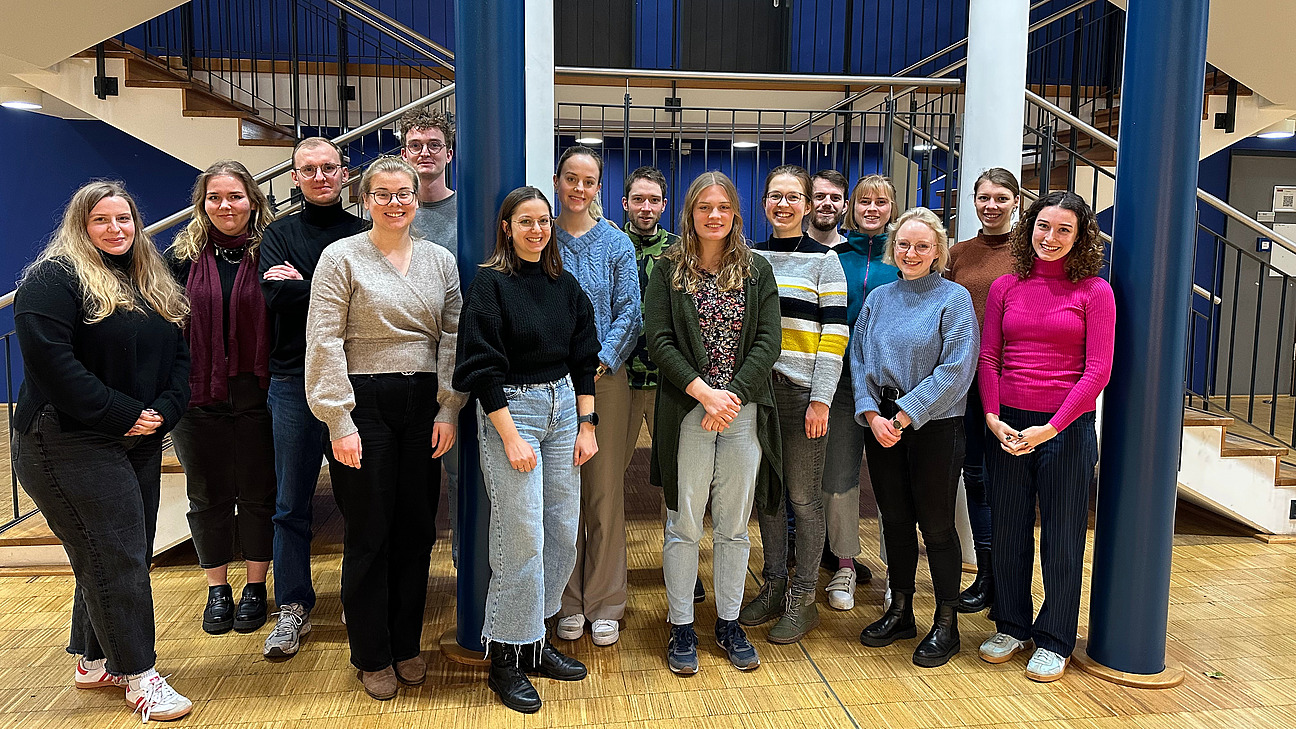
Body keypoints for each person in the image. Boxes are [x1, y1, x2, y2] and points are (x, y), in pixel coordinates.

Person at [13, 181, 193, 721]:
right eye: (101, 221)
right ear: (80, 225)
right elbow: (54, 366)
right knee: (116, 557)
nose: (116, 230)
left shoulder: (147, 278)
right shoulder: (53, 280)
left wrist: (164, 408)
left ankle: (94, 659)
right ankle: (139, 675)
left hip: (135, 436)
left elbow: (179, 354)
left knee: (114, 553)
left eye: (125, 220)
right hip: (64, 442)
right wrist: (125, 413)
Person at [304, 156, 464, 700]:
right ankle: (372, 654)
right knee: (369, 531)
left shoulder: (440, 260)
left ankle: (405, 644)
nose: (395, 203)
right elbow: (323, 339)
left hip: (423, 402)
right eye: (384, 194)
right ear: (365, 199)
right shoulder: (340, 257)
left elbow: (453, 336)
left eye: (405, 194)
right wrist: (338, 420)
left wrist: (448, 408)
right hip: (362, 401)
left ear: (418, 201)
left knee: (416, 530)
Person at [454, 186, 600, 714]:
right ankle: (506, 658)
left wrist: (587, 423)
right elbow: (479, 365)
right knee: (522, 538)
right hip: (511, 411)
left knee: (562, 531)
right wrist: (510, 435)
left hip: (565, 409)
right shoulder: (490, 284)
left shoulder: (565, 286)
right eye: (526, 222)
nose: (537, 230)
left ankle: (536, 639)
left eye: (544, 221)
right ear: (507, 228)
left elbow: (585, 355)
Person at [645, 171, 782, 675]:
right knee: (683, 524)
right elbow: (658, 340)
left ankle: (728, 622)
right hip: (687, 410)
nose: (714, 215)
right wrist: (703, 392)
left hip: (742, 414)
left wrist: (732, 397)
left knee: (732, 528)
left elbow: (769, 341)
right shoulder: (667, 269)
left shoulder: (757, 270)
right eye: (705, 207)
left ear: (735, 214)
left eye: (723, 207)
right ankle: (681, 624)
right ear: (690, 213)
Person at [976, 191, 1115, 682]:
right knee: (1009, 528)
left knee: (1061, 537)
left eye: (1063, 230)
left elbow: (1098, 371)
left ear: (1080, 239)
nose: (1049, 238)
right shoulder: (1006, 287)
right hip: (1008, 422)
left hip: (1065, 428)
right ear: (1028, 227)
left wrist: (1051, 427)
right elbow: (989, 357)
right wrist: (992, 418)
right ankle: (1012, 624)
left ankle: (1055, 637)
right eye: (1042, 226)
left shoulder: (1095, 292)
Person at [851, 206, 978, 669]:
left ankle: (947, 623)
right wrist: (869, 410)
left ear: (938, 251)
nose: (912, 252)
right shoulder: (880, 298)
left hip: (934, 426)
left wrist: (904, 416)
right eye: (904, 244)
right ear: (893, 248)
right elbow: (858, 357)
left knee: (937, 524)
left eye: (922, 245)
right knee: (896, 520)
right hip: (880, 422)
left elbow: (956, 369)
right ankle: (900, 609)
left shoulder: (954, 298)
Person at [259, 137, 370, 660]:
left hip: (352, 384)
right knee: (290, 504)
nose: (321, 176)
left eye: (330, 167)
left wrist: (306, 285)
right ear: (295, 178)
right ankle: (292, 607)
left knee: (357, 502)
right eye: (309, 169)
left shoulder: (363, 233)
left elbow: (366, 306)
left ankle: (356, 595)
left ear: (345, 174)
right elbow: (277, 299)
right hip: (290, 382)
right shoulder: (276, 234)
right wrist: (333, 291)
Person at [166, 160, 276, 637]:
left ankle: (255, 587)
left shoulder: (273, 250)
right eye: (215, 197)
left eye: (234, 196)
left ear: (252, 199)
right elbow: (165, 328)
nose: (225, 205)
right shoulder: (178, 259)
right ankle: (217, 589)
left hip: (259, 392)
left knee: (258, 493)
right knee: (206, 495)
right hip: (197, 393)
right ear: (202, 204)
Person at [739, 165, 848, 644]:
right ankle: (775, 582)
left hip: (803, 395)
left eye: (792, 196)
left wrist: (821, 399)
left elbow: (834, 337)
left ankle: (803, 599)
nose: (783, 204)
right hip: (757, 396)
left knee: (804, 500)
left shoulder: (826, 261)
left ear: (806, 205)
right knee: (769, 495)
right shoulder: (748, 258)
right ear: (764, 204)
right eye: (774, 195)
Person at [553, 146, 642, 647]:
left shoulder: (617, 244)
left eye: (589, 181)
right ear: (558, 180)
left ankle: (606, 600)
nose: (579, 189)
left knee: (604, 495)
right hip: (552, 384)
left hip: (606, 380)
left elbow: (630, 310)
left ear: (598, 187)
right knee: (563, 496)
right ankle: (567, 600)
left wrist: (600, 359)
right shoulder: (544, 238)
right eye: (571, 178)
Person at [620, 165, 706, 604]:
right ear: (625, 203)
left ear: (665, 205)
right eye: (638, 199)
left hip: (671, 382)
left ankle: (684, 569)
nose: (646, 207)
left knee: (678, 477)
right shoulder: (611, 244)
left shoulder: (680, 251)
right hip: (619, 378)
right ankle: (610, 572)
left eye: (654, 200)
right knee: (610, 479)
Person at [819, 173, 899, 611]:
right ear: (852, 207)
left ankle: (896, 572)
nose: (872, 208)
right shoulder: (833, 257)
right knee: (838, 479)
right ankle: (845, 564)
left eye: (881, 202)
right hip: (843, 384)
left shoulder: (906, 258)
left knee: (892, 485)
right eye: (864, 201)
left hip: (892, 391)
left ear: (892, 209)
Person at [946, 167, 1021, 615]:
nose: (991, 205)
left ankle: (1008, 578)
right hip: (964, 382)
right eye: (983, 197)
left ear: (1016, 202)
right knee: (975, 477)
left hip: (1011, 382)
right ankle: (987, 575)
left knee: (1007, 481)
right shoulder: (957, 254)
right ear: (973, 201)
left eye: (1001, 197)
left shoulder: (1028, 253)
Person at [398, 107, 465, 565]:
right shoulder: (394, 211)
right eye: (416, 145)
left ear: (449, 153)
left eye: (434, 145)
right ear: (405, 152)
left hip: (461, 355)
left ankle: (466, 570)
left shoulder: (469, 207)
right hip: (408, 362)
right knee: (409, 479)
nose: (425, 153)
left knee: (462, 476)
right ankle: (406, 577)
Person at [807, 169, 849, 248]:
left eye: (835, 198)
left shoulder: (851, 254)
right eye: (819, 196)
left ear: (845, 206)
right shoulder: (792, 249)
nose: (827, 203)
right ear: (807, 204)